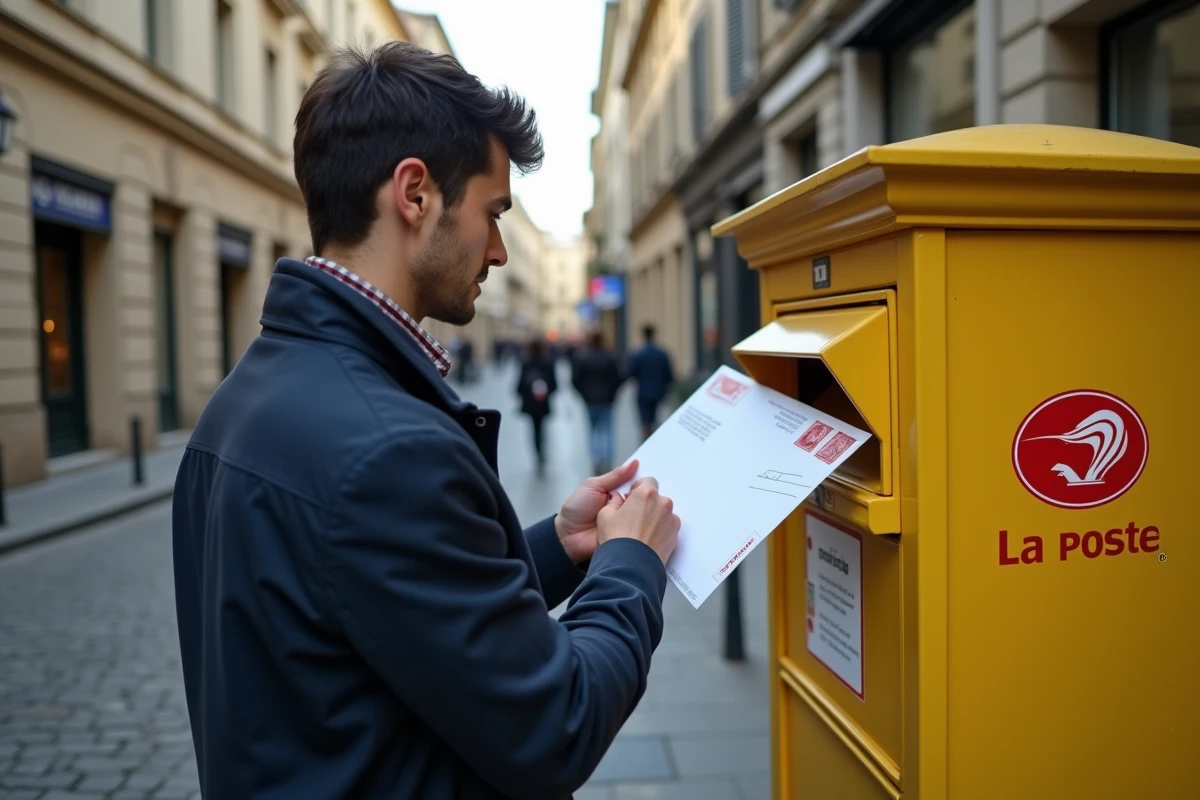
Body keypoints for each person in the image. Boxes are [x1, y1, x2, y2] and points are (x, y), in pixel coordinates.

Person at [171, 42, 680, 800]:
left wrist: (560, 550)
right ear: (414, 194)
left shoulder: (251, 391)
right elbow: (556, 722)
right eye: (493, 213)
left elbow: (382, 607)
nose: (501, 251)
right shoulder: (387, 450)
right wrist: (629, 566)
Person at [571, 331, 625, 475]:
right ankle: (607, 459)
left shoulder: (583, 358)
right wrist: (613, 394)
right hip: (607, 400)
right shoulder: (610, 358)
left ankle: (596, 459)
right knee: (607, 430)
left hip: (590, 401)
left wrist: (584, 395)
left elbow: (575, 380)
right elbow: (619, 378)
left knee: (592, 430)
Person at [627, 324, 676, 441]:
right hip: (659, 391)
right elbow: (669, 374)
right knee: (656, 418)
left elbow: (631, 373)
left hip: (643, 392)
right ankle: (654, 439)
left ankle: (646, 440)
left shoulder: (638, 354)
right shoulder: (662, 353)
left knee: (645, 421)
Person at [516, 338, 557, 473]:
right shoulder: (548, 362)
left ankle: (537, 453)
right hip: (543, 403)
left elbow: (519, 386)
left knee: (534, 429)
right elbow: (555, 385)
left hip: (530, 404)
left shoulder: (526, 362)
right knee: (542, 428)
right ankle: (542, 452)